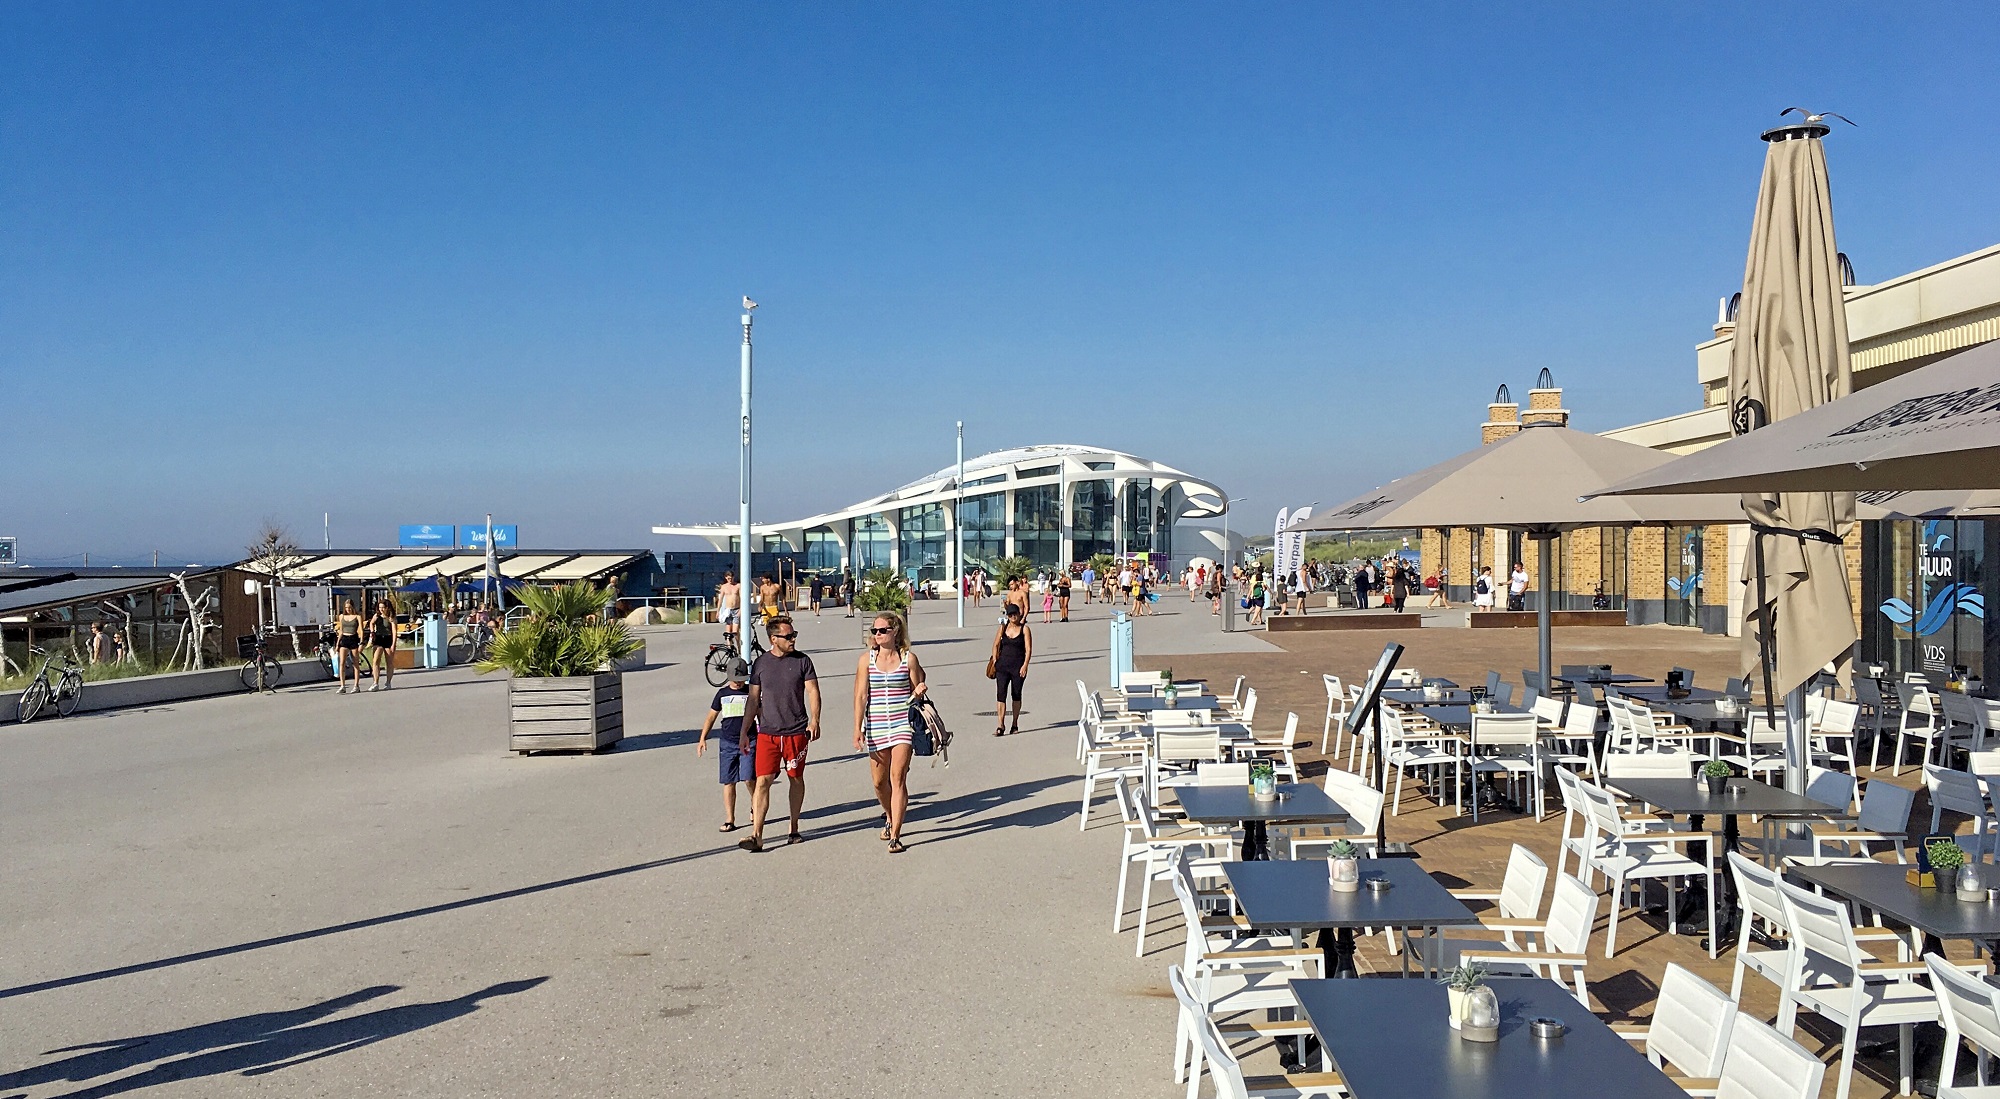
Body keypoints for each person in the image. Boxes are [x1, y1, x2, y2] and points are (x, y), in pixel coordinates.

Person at [739, 615, 819, 853]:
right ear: (774, 639)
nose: (793, 639)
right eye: (788, 636)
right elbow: (753, 700)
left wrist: (815, 720)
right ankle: (757, 835)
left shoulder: (803, 661)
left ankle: (793, 827)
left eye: (794, 635)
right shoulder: (761, 664)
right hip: (768, 734)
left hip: (796, 731)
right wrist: (745, 731)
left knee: (795, 777)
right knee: (762, 781)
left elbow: (813, 691)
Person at [854, 611, 926, 853]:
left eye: (882, 630)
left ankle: (896, 834)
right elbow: (861, 695)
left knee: (898, 779)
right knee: (878, 782)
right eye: (874, 631)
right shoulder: (866, 660)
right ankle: (889, 814)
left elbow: (918, 690)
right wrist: (857, 727)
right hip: (876, 725)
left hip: (902, 724)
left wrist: (919, 691)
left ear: (895, 631)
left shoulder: (909, 659)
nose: (877, 635)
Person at [697, 659, 754, 832]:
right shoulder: (722, 694)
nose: (738, 682)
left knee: (748, 778)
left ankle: (755, 804)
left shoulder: (751, 693)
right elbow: (711, 717)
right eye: (735, 678)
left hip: (750, 741)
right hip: (728, 742)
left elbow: (761, 712)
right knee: (728, 781)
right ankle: (730, 819)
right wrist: (702, 738)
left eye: (741, 678)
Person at [990, 603, 1031, 736]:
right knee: (1001, 695)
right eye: (1010, 615)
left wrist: (1025, 665)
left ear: (1019, 614)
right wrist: (996, 661)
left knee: (1016, 695)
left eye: (1015, 614)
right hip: (1002, 666)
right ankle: (1000, 725)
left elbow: (1028, 649)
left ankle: (1014, 723)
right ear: (1007, 616)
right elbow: (995, 645)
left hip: (1018, 667)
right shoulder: (1003, 628)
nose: (1013, 617)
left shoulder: (1025, 629)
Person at [334, 598, 365, 694]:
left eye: (349, 607)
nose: (348, 609)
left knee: (355, 663)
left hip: (353, 639)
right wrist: (337, 643)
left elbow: (361, 630)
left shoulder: (357, 617)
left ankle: (356, 685)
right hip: (344, 639)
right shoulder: (341, 616)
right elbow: (341, 630)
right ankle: (342, 685)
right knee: (342, 663)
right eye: (346, 608)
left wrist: (361, 642)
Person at [367, 599, 397, 691]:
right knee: (376, 660)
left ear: (387, 607)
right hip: (379, 638)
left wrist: (393, 644)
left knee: (389, 662)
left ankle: (388, 682)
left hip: (388, 638)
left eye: (383, 607)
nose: (381, 609)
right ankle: (375, 682)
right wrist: (372, 631)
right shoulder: (377, 616)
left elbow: (394, 631)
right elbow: (371, 623)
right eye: (380, 607)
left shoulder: (391, 617)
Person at [717, 572, 742, 643]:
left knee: (735, 632)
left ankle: (739, 647)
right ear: (726, 578)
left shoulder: (738, 586)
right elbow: (720, 599)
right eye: (728, 578)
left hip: (736, 610)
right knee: (728, 633)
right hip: (728, 610)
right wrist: (718, 611)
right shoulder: (724, 587)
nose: (730, 580)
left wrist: (740, 610)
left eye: (731, 578)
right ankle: (729, 648)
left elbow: (741, 598)